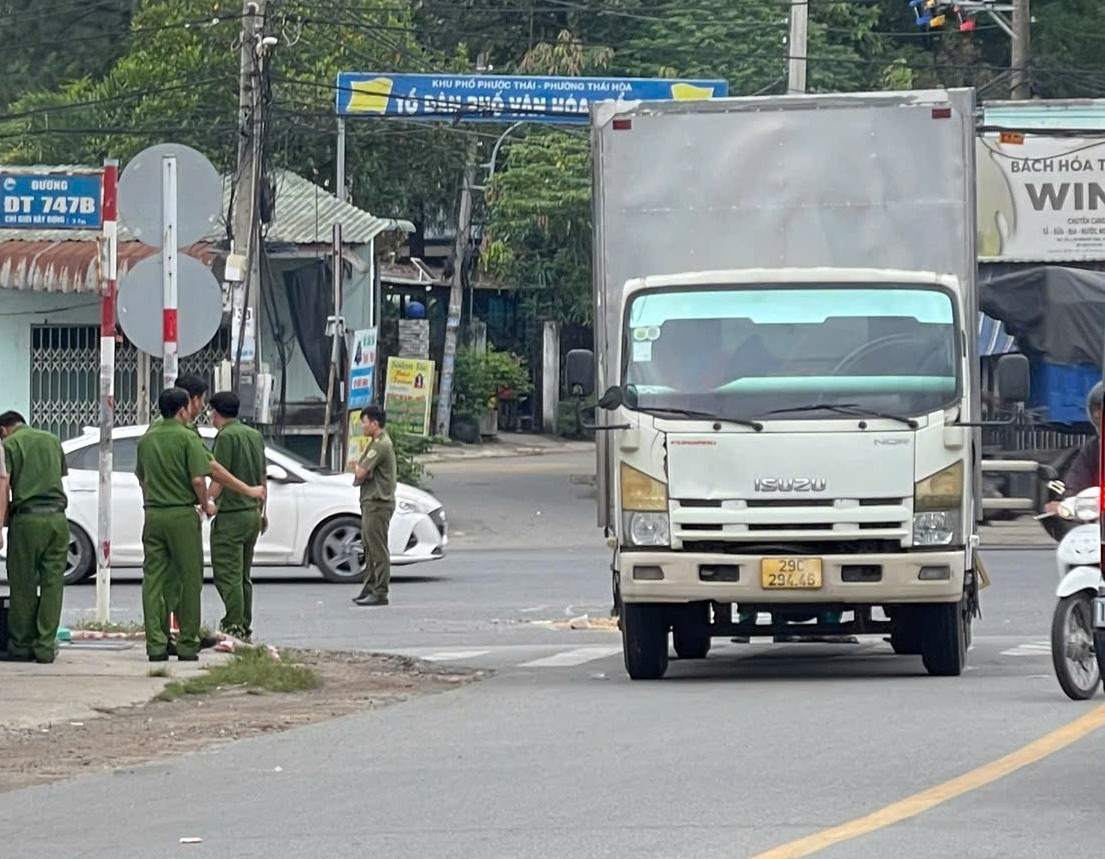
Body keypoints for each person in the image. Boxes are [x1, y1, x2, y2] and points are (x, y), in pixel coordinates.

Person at [136, 388, 265, 662]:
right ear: (183, 409)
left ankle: (156, 643)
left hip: (154, 514)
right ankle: (187, 643)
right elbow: (199, 478)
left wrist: (152, 499)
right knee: (189, 578)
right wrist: (206, 503)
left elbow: (142, 477)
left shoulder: (147, 439)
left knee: (153, 580)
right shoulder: (187, 437)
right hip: (182, 515)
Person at [0, 412, 68, 664]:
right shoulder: (52, 440)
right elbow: (59, 477)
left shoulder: (9, 445)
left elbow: (4, 484)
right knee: (53, 583)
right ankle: (45, 646)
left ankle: (21, 645)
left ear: (3, 430)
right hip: (58, 520)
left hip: (27, 521)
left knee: (23, 583)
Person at [208, 391, 266, 641]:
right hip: (252, 512)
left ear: (215, 413)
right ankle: (244, 624)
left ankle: (233, 625)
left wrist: (206, 501)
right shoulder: (254, 435)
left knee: (228, 574)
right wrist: (263, 510)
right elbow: (262, 477)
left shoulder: (225, 437)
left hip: (231, 514)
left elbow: (219, 476)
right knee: (243, 575)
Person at [349, 405, 397, 607]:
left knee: (377, 549)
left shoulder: (380, 445)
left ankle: (380, 591)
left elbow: (360, 472)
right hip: (371, 502)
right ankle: (369, 587)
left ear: (375, 423)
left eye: (365, 422)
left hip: (378, 502)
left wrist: (357, 467)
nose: (362, 426)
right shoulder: (375, 443)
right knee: (369, 548)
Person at [1045, 381, 1103, 514]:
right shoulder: (1093, 448)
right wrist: (1065, 504)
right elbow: (1076, 481)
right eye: (1097, 409)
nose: (1098, 415)